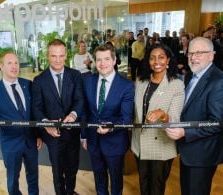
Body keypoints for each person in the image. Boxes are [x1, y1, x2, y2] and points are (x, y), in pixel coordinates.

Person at [166, 37, 223, 195]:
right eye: (190, 53)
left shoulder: (219, 81)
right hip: (189, 151)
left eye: (199, 53)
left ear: (211, 55)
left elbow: (217, 123)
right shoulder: (192, 74)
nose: (193, 57)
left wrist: (185, 132)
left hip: (202, 155)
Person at [0, 51, 42, 195]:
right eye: (9, 63)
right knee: (13, 179)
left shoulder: (28, 84)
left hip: (31, 140)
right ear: (1, 66)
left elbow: (35, 113)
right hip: (10, 143)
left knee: (33, 176)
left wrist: (39, 135)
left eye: (16, 63)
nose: (14, 66)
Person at [31, 39, 84, 195]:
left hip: (72, 131)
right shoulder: (39, 80)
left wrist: (73, 115)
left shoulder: (75, 75)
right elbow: (37, 108)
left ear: (66, 55)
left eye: (61, 55)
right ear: (47, 55)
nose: (58, 59)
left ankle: (70, 192)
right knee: (57, 170)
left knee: (73, 168)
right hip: (52, 135)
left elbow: (80, 99)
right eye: (54, 56)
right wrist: (47, 124)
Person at [131, 43, 185, 195]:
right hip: (139, 142)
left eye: (161, 57)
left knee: (156, 188)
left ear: (168, 60)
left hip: (161, 144)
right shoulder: (141, 81)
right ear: (148, 61)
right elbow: (134, 112)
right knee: (143, 184)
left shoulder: (176, 84)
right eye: (152, 58)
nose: (156, 62)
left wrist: (162, 114)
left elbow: (174, 120)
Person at [81, 44, 134, 195]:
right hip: (93, 140)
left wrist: (110, 127)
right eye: (99, 60)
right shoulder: (88, 81)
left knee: (116, 180)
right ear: (94, 62)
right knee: (99, 178)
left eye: (106, 59)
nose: (102, 63)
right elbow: (85, 111)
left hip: (115, 142)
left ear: (114, 60)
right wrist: (84, 135)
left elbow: (126, 119)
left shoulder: (127, 86)